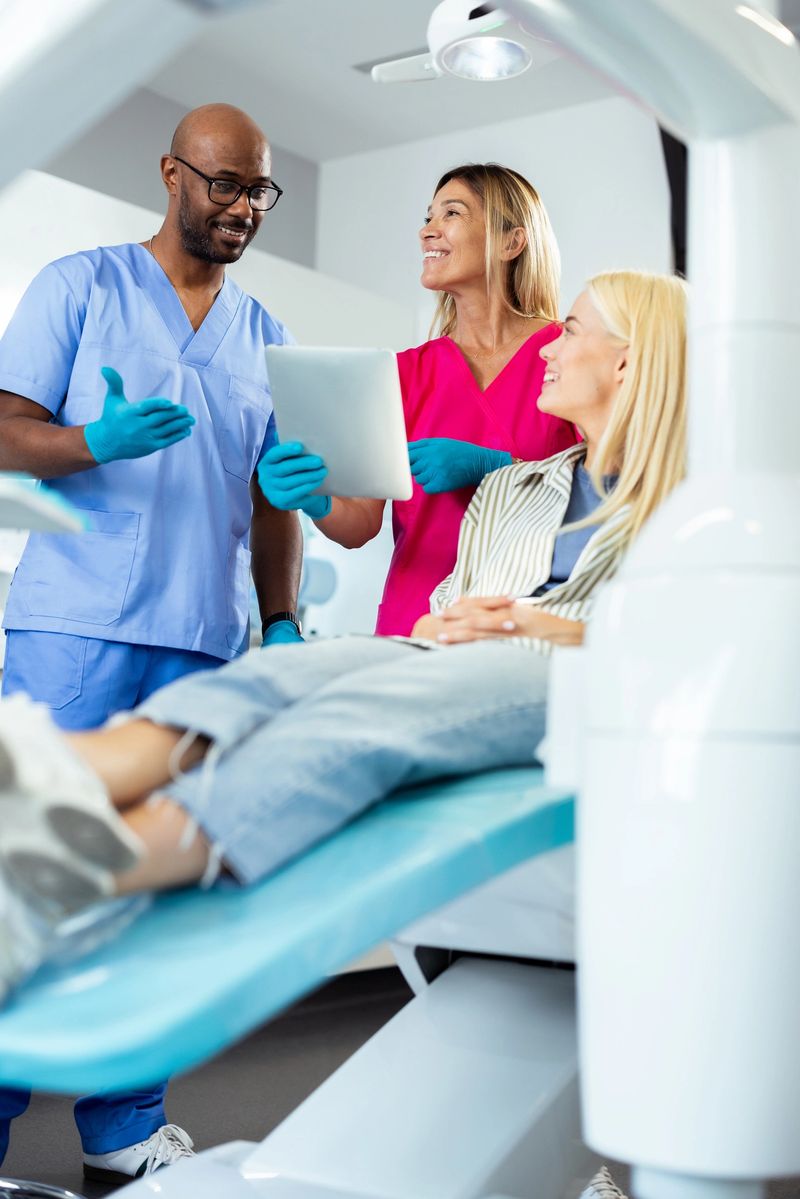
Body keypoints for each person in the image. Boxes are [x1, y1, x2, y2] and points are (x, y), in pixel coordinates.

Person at [0, 269, 685, 1198]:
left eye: (572, 333)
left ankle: (99, 860)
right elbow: (447, 594)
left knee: (379, 712)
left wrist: (539, 628)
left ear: (630, 359)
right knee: (297, 668)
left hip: (577, 686)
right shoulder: (518, 489)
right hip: (462, 658)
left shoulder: (696, 511)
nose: (551, 348)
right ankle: (52, 782)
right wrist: (445, 620)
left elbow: (694, 641)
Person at [0, 104, 303, 1181]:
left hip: (202, 645)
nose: (241, 209)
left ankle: (125, 1132)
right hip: (71, 628)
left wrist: (279, 617)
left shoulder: (266, 332)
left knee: (155, 903)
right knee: (34, 878)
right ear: (172, 173)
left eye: (258, 192)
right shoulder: (78, 286)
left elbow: (275, 502)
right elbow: (2, 425)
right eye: (224, 184)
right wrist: (90, 441)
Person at [259, 163, 578, 636]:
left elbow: (605, 495)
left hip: (525, 624)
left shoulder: (565, 355)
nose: (427, 231)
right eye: (428, 216)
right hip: (415, 622)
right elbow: (361, 524)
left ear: (512, 242)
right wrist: (315, 500)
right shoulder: (403, 374)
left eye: (452, 213)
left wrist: (499, 469)